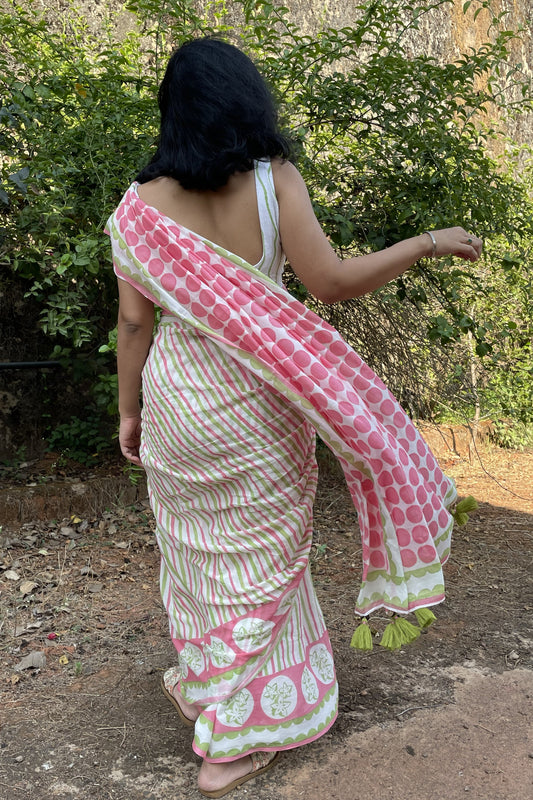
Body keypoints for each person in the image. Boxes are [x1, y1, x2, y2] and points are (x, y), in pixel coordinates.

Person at [107, 37, 482, 798]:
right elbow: (331, 283)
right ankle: (233, 738)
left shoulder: (137, 209)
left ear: (171, 113)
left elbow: (134, 326)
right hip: (259, 401)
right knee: (268, 560)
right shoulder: (274, 182)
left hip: (181, 398)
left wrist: (129, 408)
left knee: (202, 559)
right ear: (248, 100)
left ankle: (214, 685)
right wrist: (427, 242)